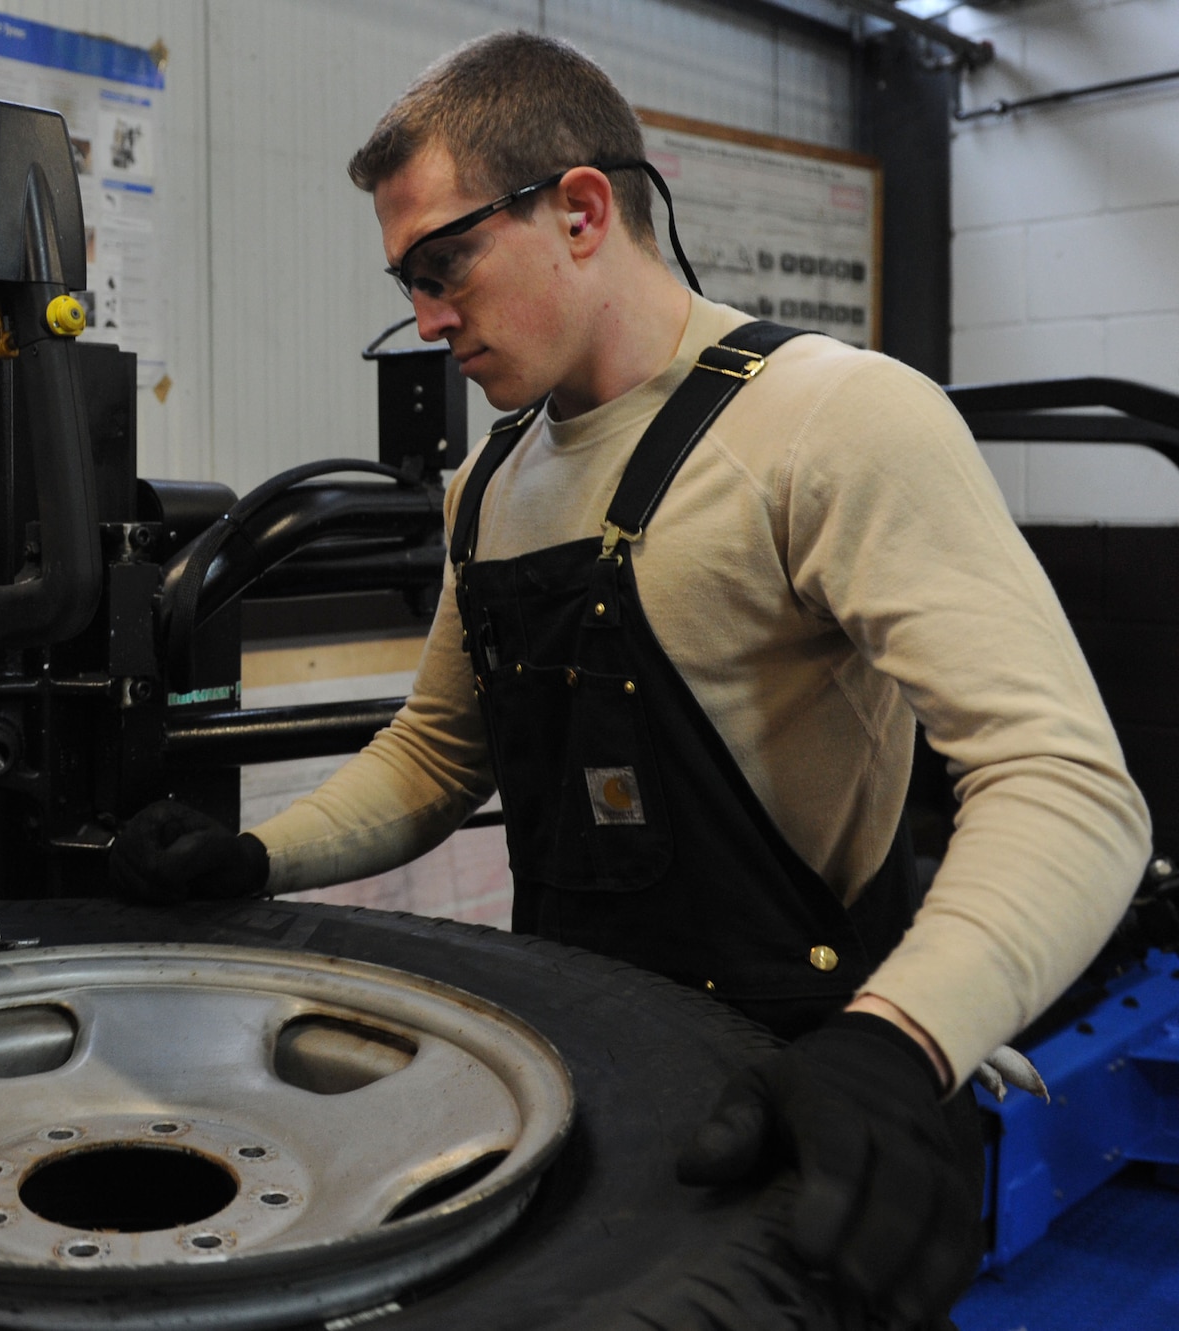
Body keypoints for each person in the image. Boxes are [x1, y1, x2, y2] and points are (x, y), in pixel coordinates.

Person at [109, 31, 1151, 1326]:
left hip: (805, 1086)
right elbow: (439, 755)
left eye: (446, 267)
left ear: (584, 209)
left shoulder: (832, 420)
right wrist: (257, 860)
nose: (429, 322)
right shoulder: (484, 485)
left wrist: (897, 1042)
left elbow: (1067, 786)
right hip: (558, 1068)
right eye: (410, 283)